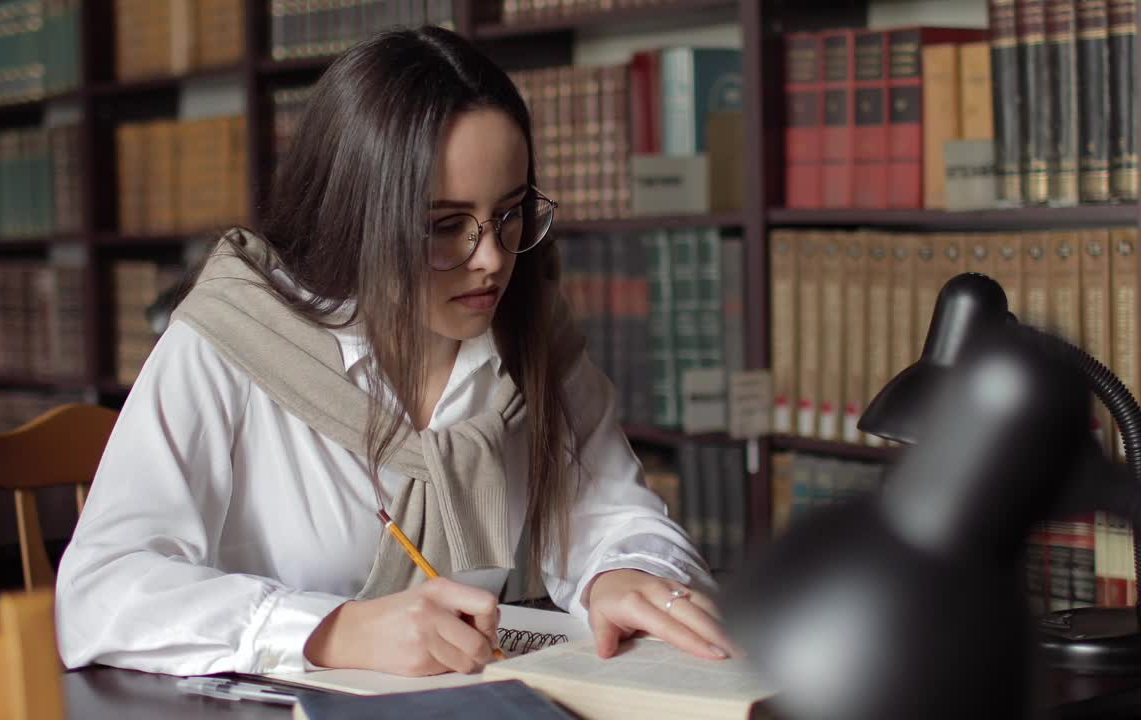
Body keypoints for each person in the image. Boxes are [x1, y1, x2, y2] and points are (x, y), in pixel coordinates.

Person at [55, 26, 729, 678]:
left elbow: (614, 513)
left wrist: (622, 572)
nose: (492, 260)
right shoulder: (230, 338)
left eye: (511, 212)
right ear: (357, 215)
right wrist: (332, 630)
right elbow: (99, 591)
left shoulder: (532, 330)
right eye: (444, 226)